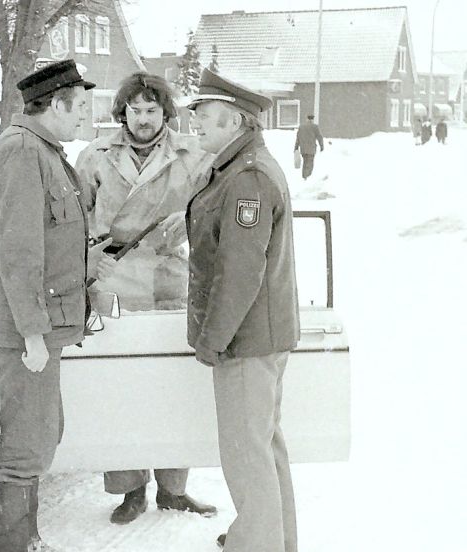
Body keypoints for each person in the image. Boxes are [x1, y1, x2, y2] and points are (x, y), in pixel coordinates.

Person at [0, 59, 109, 552]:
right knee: (25, 447)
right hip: (24, 331)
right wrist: (32, 333)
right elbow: (19, 252)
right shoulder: (23, 154)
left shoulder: (41, 151)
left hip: (38, 328)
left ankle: (25, 538)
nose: (85, 117)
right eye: (80, 107)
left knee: (42, 435)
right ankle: (11, 545)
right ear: (55, 105)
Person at [74, 71, 217, 525]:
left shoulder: (193, 155)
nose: (143, 119)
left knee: (172, 384)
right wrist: (91, 261)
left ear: (165, 112)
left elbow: (215, 208)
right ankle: (130, 490)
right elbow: (75, 217)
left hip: (168, 277)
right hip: (113, 278)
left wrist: (187, 218)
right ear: (122, 113)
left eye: (151, 110)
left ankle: (174, 489)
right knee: (120, 386)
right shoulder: (95, 156)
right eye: (134, 110)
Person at [186, 68, 301, 552]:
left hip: (245, 341)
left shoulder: (247, 177)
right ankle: (273, 540)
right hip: (257, 336)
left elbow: (239, 272)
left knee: (247, 456)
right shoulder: (239, 168)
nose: (195, 124)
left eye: (204, 116)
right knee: (262, 450)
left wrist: (212, 339)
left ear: (234, 121)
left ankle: (257, 545)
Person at [293, 114, 323, 180]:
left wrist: (296, 147)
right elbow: (319, 137)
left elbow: (298, 138)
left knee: (305, 162)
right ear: (312, 119)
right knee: (310, 163)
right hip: (311, 149)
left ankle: (304, 176)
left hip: (303, 149)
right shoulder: (315, 127)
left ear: (307, 119)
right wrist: (321, 146)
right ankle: (308, 177)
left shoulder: (301, 127)